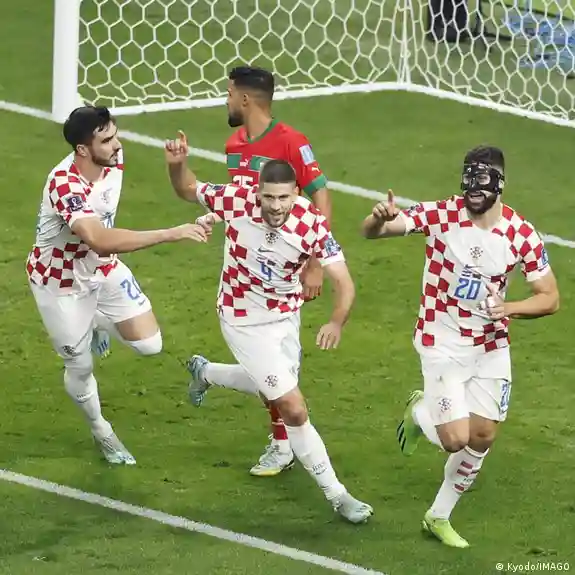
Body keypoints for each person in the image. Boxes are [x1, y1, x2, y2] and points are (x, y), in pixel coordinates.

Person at [361, 145, 559, 547]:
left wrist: (509, 308)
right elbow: (375, 232)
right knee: (454, 439)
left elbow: (550, 297)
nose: (472, 188)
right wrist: (377, 219)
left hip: (490, 344)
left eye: (481, 180)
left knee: (482, 435)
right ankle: (420, 412)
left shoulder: (520, 234)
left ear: (499, 183)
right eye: (467, 179)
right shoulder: (442, 215)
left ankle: (438, 516)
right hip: (442, 341)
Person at [169, 156, 372, 523]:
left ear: (295, 193)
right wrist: (177, 164)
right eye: (268, 197)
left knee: (273, 391)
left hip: (285, 316)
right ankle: (337, 495)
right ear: (257, 192)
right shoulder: (236, 199)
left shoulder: (311, 224)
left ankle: (206, 373)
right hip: (242, 319)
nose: (275, 206)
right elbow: (187, 188)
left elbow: (344, 282)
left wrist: (336, 322)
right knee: (293, 407)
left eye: (283, 198)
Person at [167, 65, 333, 477]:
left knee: (279, 374)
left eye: (228, 94)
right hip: (244, 280)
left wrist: (315, 264)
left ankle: (206, 372)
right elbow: (237, 204)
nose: (225, 101)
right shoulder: (234, 145)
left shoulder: (291, 142)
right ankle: (281, 445)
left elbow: (321, 197)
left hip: (285, 272)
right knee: (277, 377)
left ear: (244, 99)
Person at [27, 105, 209, 465]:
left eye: (115, 135)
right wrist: (171, 233)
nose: (117, 144)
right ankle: (102, 431)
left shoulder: (113, 159)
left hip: (103, 268)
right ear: (83, 149)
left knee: (151, 345)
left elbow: (101, 248)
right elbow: (98, 239)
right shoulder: (64, 184)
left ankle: (97, 322)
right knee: (80, 367)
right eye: (107, 140)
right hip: (60, 282)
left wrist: (177, 165)